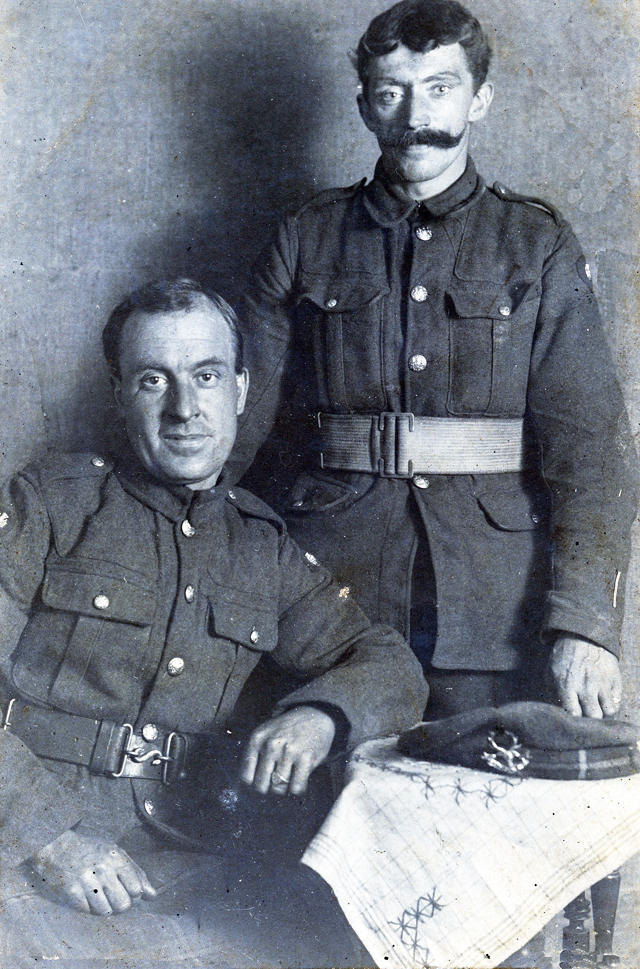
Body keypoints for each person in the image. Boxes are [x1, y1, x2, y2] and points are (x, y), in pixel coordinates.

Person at [234, 0, 639, 722]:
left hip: (493, 608)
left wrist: (585, 624)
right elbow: (239, 435)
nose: (415, 114)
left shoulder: (536, 243)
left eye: (440, 88)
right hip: (330, 592)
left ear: (480, 100)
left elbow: (589, 450)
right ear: (365, 106)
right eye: (391, 92)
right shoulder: (307, 237)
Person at [0, 277, 426, 966]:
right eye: (153, 380)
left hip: (187, 860)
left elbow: (388, 664)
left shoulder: (262, 547)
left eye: (206, 376)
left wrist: (321, 715)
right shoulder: (52, 504)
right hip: (28, 856)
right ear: (119, 393)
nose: (184, 409)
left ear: (240, 390)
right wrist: (45, 837)